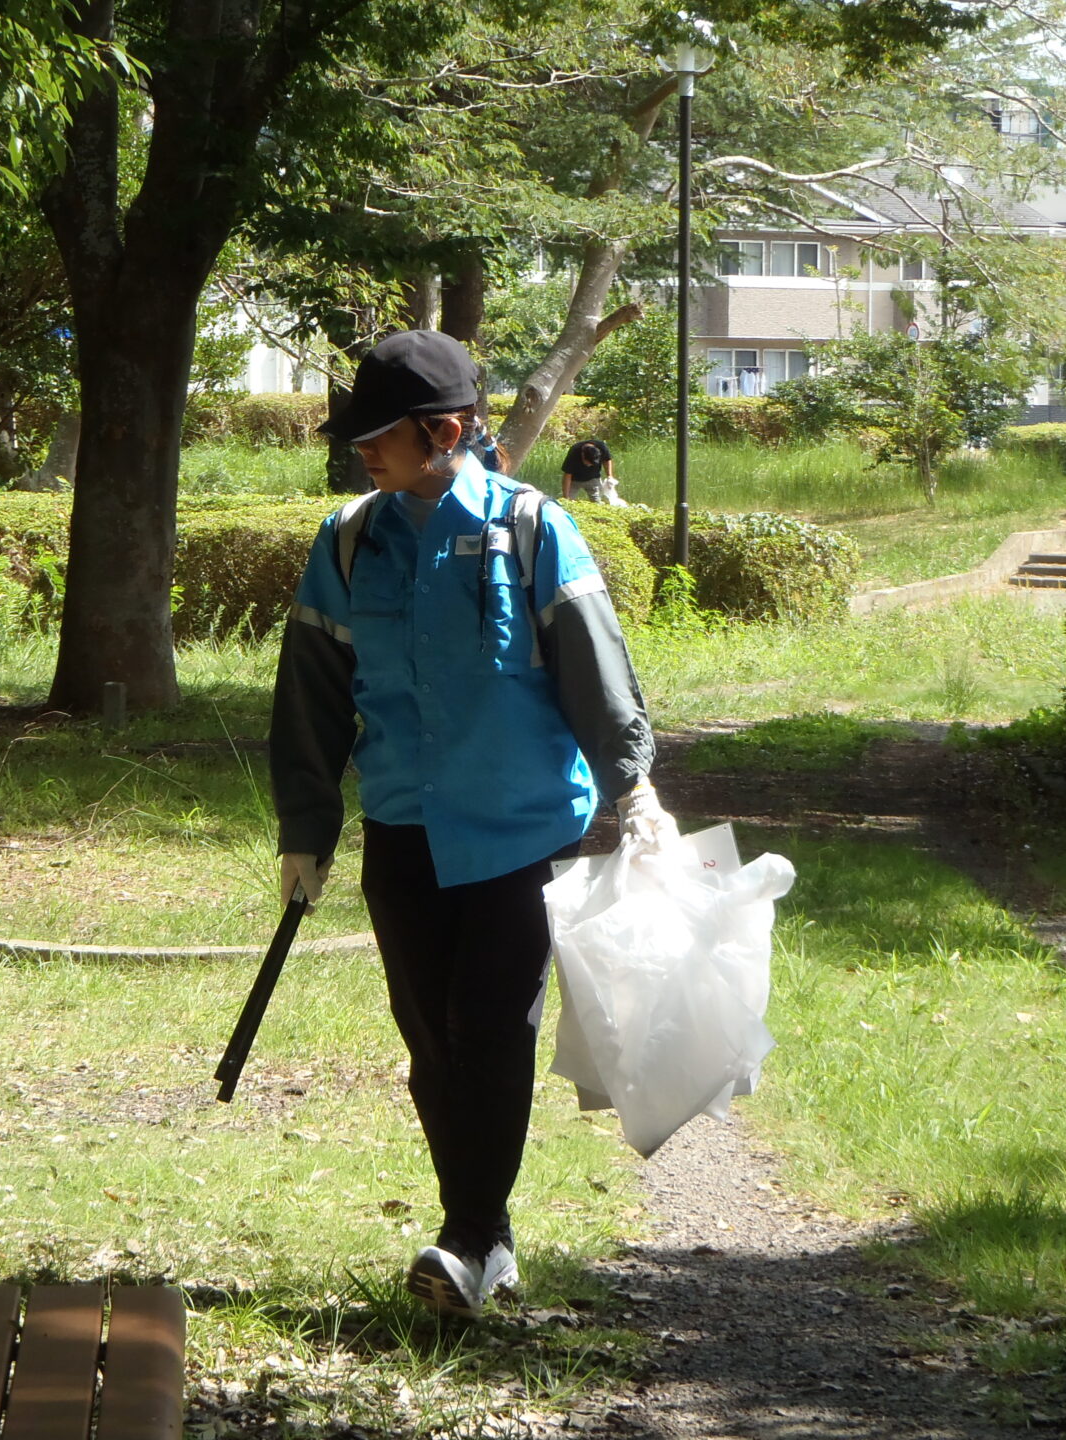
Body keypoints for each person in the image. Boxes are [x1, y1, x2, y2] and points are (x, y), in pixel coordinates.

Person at [269, 330, 678, 1319]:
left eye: (379, 434)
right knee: (431, 1044)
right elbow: (312, 692)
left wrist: (633, 789)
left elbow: (593, 668)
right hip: (403, 830)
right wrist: (305, 828)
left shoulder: (533, 529)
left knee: (490, 1031)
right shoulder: (349, 540)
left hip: (519, 835)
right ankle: (482, 1239)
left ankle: (469, 1238)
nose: (362, 450)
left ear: (444, 433)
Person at [560, 436, 617, 503]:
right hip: (574, 480)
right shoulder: (574, 451)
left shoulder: (602, 447)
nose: (589, 465)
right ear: (583, 455)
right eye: (588, 463)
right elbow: (567, 475)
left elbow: (607, 460)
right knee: (568, 502)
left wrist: (609, 476)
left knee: (597, 502)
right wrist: (566, 497)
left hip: (594, 478)